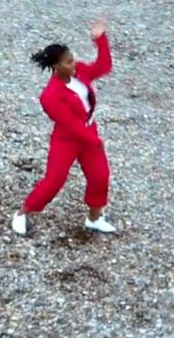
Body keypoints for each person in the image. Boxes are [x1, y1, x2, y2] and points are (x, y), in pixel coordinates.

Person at [11, 19, 117, 235]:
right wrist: (95, 141)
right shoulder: (50, 96)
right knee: (54, 180)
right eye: (68, 62)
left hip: (89, 133)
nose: (74, 64)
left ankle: (94, 218)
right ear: (55, 66)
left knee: (100, 176)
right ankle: (23, 212)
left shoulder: (80, 73)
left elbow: (104, 66)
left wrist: (101, 40)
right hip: (67, 139)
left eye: (73, 59)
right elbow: (71, 125)